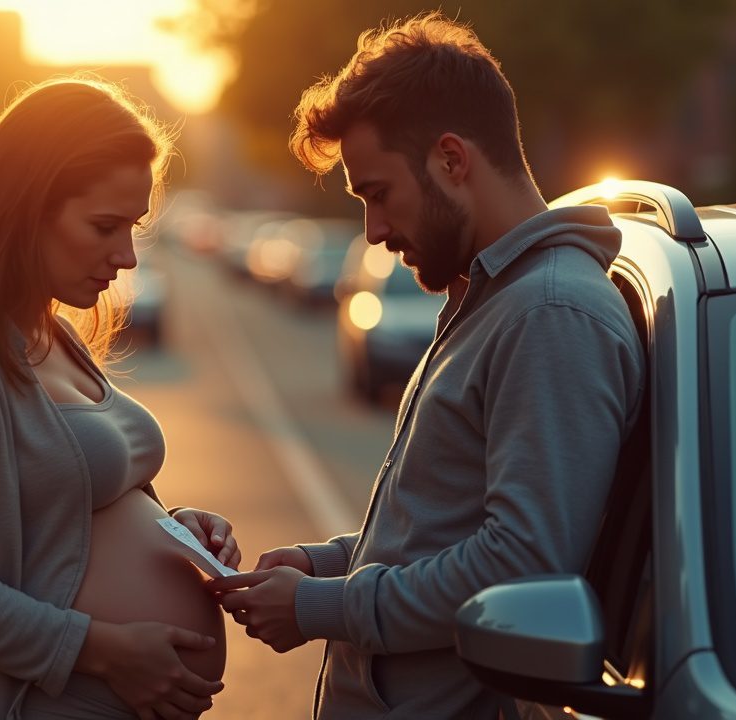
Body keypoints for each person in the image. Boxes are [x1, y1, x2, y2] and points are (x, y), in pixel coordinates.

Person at [208, 13, 646, 719]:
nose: (375, 231)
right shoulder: (495, 299)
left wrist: (323, 606)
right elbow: (442, 530)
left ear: (451, 160)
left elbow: (520, 571)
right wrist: (327, 563)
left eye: (378, 194)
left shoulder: (550, 313)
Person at [0, 78, 240, 720]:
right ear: (26, 208)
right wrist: (105, 651)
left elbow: (73, 513)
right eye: (104, 226)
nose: (127, 256)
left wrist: (177, 530)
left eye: (133, 227)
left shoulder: (55, 334)